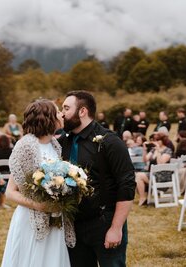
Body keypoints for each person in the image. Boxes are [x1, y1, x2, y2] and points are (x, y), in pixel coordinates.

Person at [59, 91, 135, 267]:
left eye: (66, 108)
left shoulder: (110, 141)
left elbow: (127, 184)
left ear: (82, 111)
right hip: (75, 225)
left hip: (104, 222)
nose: (62, 113)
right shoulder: (64, 142)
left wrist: (116, 228)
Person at [2, 99, 71, 267]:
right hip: (31, 219)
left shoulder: (55, 146)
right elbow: (10, 191)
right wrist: (38, 206)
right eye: (57, 112)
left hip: (55, 217)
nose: (62, 114)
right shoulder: (26, 146)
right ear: (47, 117)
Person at [135, 132, 172, 206]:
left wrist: (158, 151)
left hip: (162, 176)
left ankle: (143, 198)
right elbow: (145, 160)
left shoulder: (168, 150)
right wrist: (145, 150)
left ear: (163, 140)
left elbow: (160, 164)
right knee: (136, 175)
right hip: (153, 174)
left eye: (158, 140)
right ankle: (143, 197)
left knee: (139, 175)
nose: (156, 142)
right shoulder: (153, 150)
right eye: (155, 140)